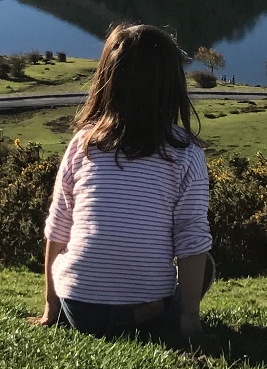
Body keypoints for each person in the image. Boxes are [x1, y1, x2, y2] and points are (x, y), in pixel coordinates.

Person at [35, 23, 213, 340]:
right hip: (149, 314)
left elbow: (58, 226)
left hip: (80, 310)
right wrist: (189, 320)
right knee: (206, 265)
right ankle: (163, 313)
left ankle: (94, 306)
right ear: (173, 84)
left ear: (107, 80)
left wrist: (51, 308)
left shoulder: (83, 143)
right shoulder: (185, 153)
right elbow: (191, 238)